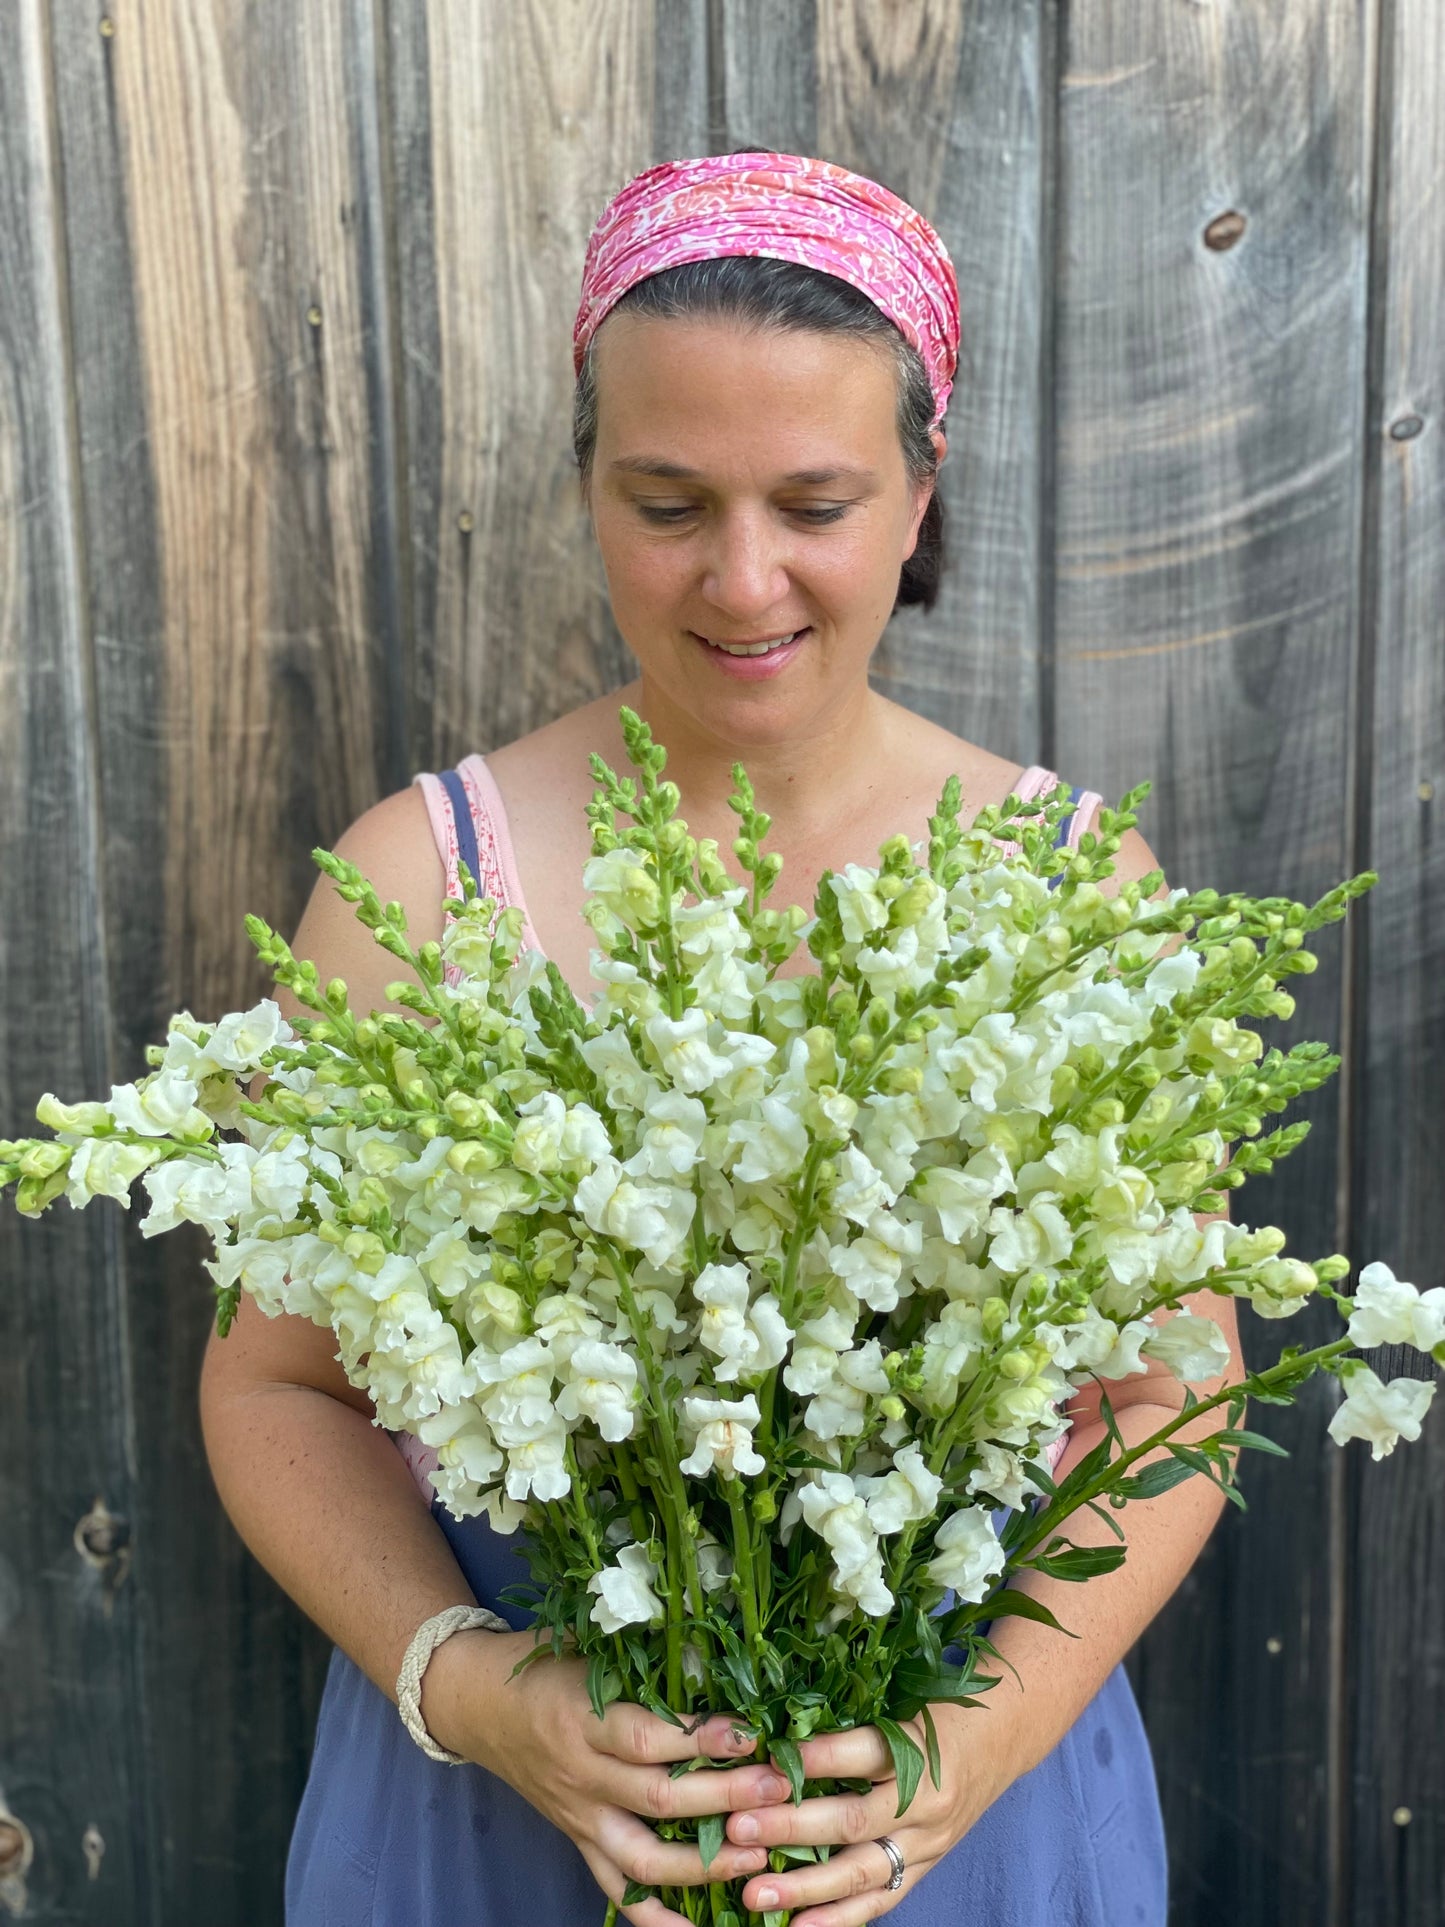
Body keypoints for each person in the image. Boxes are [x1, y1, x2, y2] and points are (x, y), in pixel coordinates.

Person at [199, 151, 1243, 1927]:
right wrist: (476, 1690)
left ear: (922, 495)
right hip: (512, 1813)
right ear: (586, 488)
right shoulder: (421, 885)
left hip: (953, 1803)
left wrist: (970, 1752)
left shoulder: (1075, 891)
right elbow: (274, 1377)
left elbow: (1173, 1384)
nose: (743, 580)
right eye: (667, 500)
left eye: (814, 502)